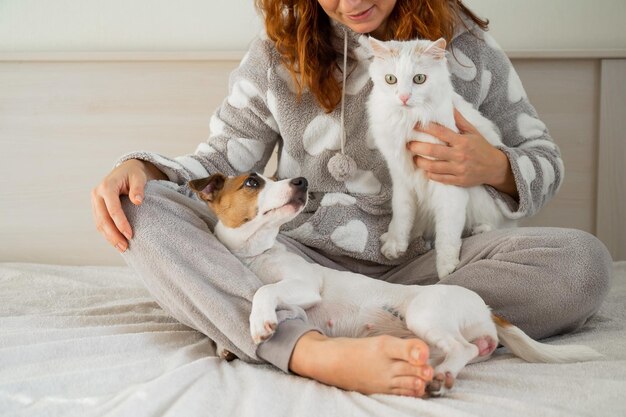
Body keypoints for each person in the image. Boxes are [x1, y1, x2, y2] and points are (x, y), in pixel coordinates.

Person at [91, 0, 612, 398]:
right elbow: (223, 162)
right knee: (141, 207)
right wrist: (143, 167)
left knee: (580, 263)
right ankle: (309, 351)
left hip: (429, 270)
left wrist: (496, 167)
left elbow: (543, 158)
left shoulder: (462, 47)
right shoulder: (280, 54)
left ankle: (320, 327)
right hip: (296, 262)